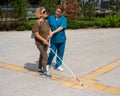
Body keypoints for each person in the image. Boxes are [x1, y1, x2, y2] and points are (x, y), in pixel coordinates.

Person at [47, 5, 67, 71]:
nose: (57, 12)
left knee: (60, 53)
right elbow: (48, 26)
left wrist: (53, 32)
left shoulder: (64, 19)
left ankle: (58, 65)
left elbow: (61, 27)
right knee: (52, 52)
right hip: (54, 39)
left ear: (62, 13)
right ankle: (48, 63)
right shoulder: (51, 18)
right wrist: (50, 32)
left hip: (61, 39)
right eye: (57, 10)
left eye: (59, 11)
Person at [32, 7, 51, 78]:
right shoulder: (37, 23)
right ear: (40, 14)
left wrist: (49, 36)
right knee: (45, 56)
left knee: (42, 55)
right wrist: (44, 40)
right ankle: (45, 72)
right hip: (39, 43)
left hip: (46, 42)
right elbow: (36, 34)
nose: (45, 13)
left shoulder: (46, 22)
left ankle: (39, 68)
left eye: (45, 11)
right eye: (44, 12)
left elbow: (49, 30)